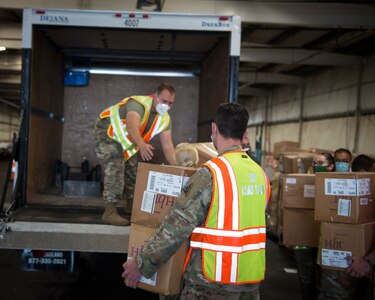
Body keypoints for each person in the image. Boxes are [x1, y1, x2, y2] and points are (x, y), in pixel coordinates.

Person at [122, 102, 271, 299]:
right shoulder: (260, 174)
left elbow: (177, 226)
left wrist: (141, 264)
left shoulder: (212, 173)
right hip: (250, 281)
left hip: (213, 282)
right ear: (244, 132)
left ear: (214, 129)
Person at [93, 83, 177, 226]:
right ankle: (110, 211)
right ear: (154, 96)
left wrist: (177, 166)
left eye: (170, 103)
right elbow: (132, 126)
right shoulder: (138, 104)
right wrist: (142, 145)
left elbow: (167, 145)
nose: (167, 106)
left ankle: (131, 206)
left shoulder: (164, 119)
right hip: (107, 132)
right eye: (164, 101)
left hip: (126, 140)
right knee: (116, 163)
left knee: (132, 168)